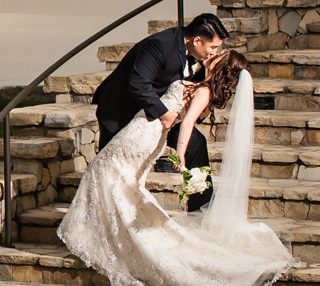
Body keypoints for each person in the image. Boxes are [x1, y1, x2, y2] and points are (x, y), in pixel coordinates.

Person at [60, 32, 294, 286]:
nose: (213, 54)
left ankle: (112, 237)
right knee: (112, 177)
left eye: (218, 54)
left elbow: (187, 123)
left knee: (108, 174)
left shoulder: (203, 90)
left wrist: (181, 155)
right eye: (214, 49)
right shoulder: (199, 82)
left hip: (145, 132)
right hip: (144, 130)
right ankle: (107, 233)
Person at [91, 13, 229, 213]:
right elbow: (138, 83)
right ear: (197, 40)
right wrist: (164, 114)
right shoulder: (159, 45)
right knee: (110, 167)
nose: (214, 53)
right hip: (121, 111)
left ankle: (201, 212)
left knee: (196, 143)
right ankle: (103, 213)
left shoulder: (198, 56)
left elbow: (193, 93)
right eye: (213, 47)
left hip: (157, 115)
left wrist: (209, 73)